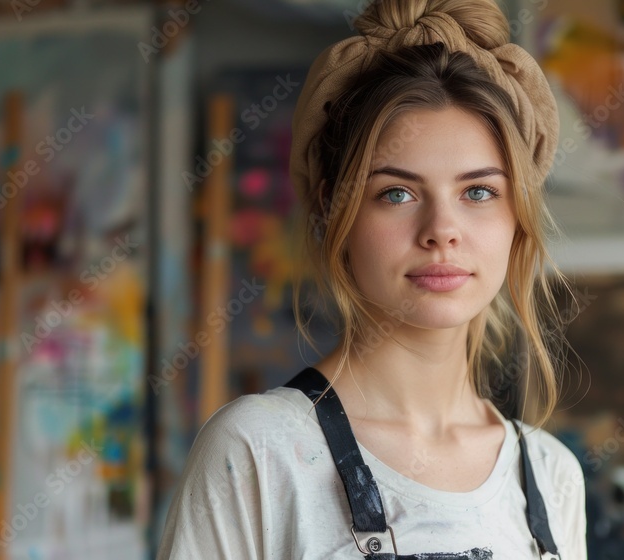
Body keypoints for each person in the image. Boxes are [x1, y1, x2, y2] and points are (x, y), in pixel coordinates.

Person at [158, 0, 587, 557]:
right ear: (336, 213)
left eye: (478, 192)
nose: (441, 231)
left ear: (517, 219)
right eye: (397, 193)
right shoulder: (258, 452)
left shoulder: (554, 476)